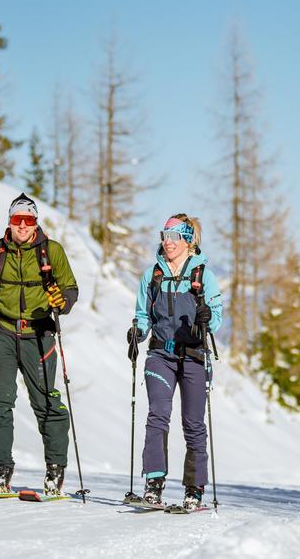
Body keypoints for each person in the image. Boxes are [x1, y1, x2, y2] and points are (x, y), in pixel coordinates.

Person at [0, 193, 79, 494]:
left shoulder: (51, 251)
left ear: (36, 222)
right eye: (17, 220)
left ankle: (55, 469)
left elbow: (70, 289)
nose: (23, 226)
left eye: (28, 220)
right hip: (1, 329)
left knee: (46, 401)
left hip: (38, 334)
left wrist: (61, 302)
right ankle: (0, 470)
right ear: (9, 222)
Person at [126, 214, 223, 509]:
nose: (167, 242)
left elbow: (216, 319)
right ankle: (153, 484)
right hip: (160, 354)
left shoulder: (203, 274)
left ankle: (194, 489)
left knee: (193, 423)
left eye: (174, 236)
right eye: (164, 235)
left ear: (188, 240)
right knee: (158, 414)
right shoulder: (152, 274)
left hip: (193, 355)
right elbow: (143, 314)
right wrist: (137, 333)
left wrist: (207, 317)